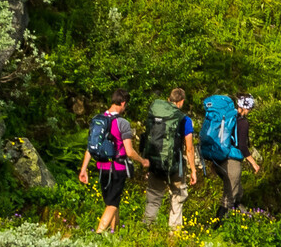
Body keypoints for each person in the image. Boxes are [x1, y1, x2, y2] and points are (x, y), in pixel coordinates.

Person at [76, 91, 143, 234]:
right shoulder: (122, 123)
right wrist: (143, 161)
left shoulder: (98, 119)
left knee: (112, 201)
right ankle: (98, 234)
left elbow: (91, 146)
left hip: (102, 167)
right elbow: (129, 152)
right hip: (118, 168)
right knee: (112, 204)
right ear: (123, 103)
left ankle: (115, 233)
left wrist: (84, 169)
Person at [139, 88, 200, 232]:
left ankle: (146, 233)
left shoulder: (155, 114)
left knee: (153, 200)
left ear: (169, 99)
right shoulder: (184, 119)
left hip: (155, 163)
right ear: (182, 101)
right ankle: (173, 238)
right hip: (175, 167)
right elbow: (189, 148)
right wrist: (193, 170)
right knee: (177, 200)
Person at [197, 91, 246, 213]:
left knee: (237, 192)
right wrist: (254, 163)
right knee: (229, 197)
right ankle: (218, 226)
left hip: (219, 158)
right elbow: (243, 146)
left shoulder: (226, 117)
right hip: (231, 161)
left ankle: (243, 218)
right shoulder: (241, 121)